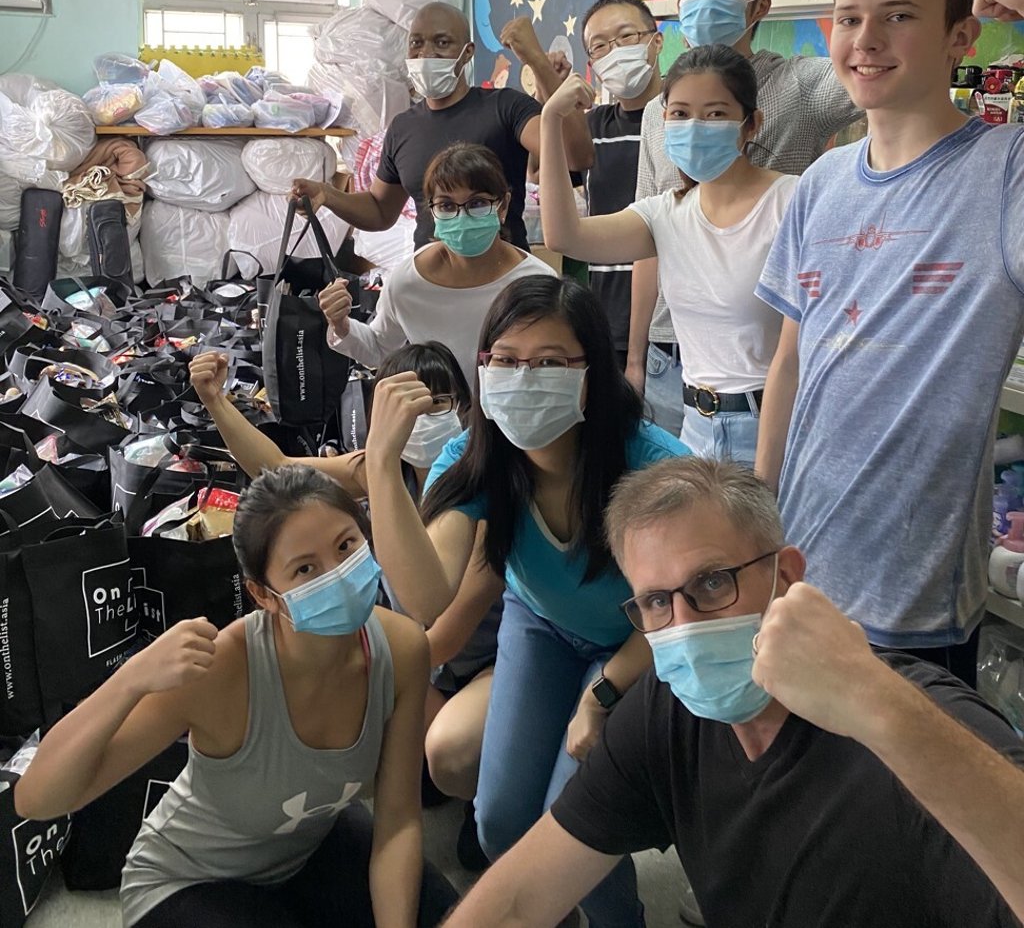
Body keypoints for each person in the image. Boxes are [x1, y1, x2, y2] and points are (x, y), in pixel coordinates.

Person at [443, 457, 1024, 928]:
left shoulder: (910, 724)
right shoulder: (665, 711)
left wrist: (883, 708)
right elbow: (519, 900)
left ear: (786, 576)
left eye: (713, 582)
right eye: (656, 601)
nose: (686, 626)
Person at [362, 273, 687, 928]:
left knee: (578, 823)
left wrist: (604, 694)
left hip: (639, 645)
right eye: (506, 360)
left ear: (591, 372)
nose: (523, 378)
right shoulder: (478, 458)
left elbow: (678, 611)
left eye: (549, 362)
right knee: (500, 821)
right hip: (541, 628)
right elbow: (426, 594)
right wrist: (379, 462)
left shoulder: (654, 469)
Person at [755, 0, 1024, 684]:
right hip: (800, 572)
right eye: (849, 17)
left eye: (899, 15)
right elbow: (790, 359)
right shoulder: (821, 181)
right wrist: (761, 517)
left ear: (960, 36)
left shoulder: (1006, 169)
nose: (866, 39)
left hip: (913, 601)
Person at [14, 466, 457, 928]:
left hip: (304, 849)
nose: (339, 575)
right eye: (305, 568)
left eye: (346, 546)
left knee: (451, 916)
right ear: (263, 595)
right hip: (189, 879)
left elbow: (399, 821)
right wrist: (131, 678)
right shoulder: (220, 669)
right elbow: (37, 799)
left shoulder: (402, 649)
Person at [188, 343, 501, 857]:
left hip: (474, 662)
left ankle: (488, 791)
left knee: (449, 757)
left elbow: (442, 638)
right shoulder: (380, 471)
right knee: (416, 778)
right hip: (419, 660)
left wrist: (355, 663)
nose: (421, 420)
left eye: (438, 404)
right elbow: (276, 466)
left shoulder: (482, 493)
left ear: (465, 407)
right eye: (406, 406)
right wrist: (216, 402)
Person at [625, 0, 861, 431]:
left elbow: (877, 69)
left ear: (759, 7)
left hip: (763, 356)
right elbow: (648, 240)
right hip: (670, 353)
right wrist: (636, 356)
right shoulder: (658, 112)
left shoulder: (799, 86)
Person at [540, 46, 797, 461]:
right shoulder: (667, 213)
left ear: (752, 124)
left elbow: (800, 352)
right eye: (680, 113)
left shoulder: (790, 201)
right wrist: (551, 119)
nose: (695, 127)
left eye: (715, 114)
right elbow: (564, 236)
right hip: (693, 425)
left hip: (770, 426)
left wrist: (766, 476)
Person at [292, 2, 593, 250]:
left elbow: (576, 156)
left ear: (468, 52)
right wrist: (328, 195)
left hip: (504, 282)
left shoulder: (505, 107)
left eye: (442, 42)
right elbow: (381, 210)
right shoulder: (403, 128)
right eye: (416, 43)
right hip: (431, 282)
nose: (426, 53)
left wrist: (536, 60)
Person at [318, 142, 555, 388]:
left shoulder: (536, 281)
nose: (462, 216)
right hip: (441, 408)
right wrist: (340, 324)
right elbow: (379, 349)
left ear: (503, 206)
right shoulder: (408, 282)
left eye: (477, 203)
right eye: (447, 206)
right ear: (432, 212)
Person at [576, 0, 664, 368]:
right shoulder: (592, 127)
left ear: (656, 41)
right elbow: (543, 170)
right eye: (600, 46)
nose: (614, 52)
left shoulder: (685, 123)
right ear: (592, 65)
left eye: (626, 36)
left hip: (670, 325)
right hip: (607, 319)